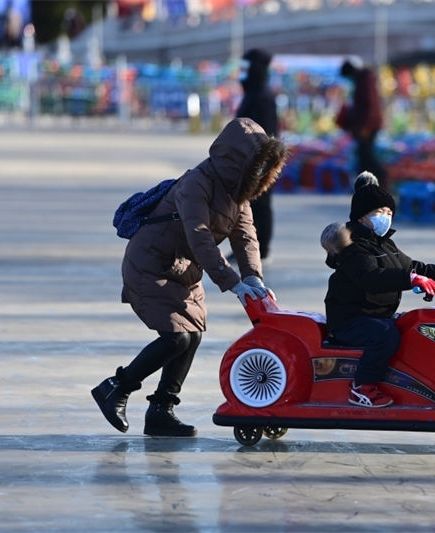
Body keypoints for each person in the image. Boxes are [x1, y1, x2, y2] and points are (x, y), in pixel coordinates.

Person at [92, 118, 288, 437]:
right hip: (150, 264)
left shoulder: (238, 194)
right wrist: (231, 281)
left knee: (192, 335)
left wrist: (254, 277)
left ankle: (161, 411)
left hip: (183, 270)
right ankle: (116, 386)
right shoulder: (196, 184)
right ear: (236, 160)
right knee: (176, 337)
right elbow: (199, 236)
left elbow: (246, 237)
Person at [321, 172, 435, 408]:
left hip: (376, 314)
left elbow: (412, 266)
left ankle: (419, 382)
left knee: (414, 326)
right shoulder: (353, 248)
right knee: (385, 335)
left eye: (389, 213)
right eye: (379, 213)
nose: (386, 218)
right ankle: (362, 387)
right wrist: (411, 279)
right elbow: (371, 278)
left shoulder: (384, 243)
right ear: (361, 218)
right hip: (350, 319)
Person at [235, 48, 279, 260]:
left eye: (245, 68)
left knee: (259, 205)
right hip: (249, 158)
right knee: (250, 205)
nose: (241, 73)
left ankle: (259, 248)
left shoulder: (262, 97)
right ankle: (249, 248)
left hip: (259, 159)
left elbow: (265, 133)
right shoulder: (253, 93)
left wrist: (262, 162)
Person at [337, 59, 387, 189]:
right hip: (367, 125)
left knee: (366, 157)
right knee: (364, 156)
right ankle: (369, 187)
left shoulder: (364, 82)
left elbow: (368, 107)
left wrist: (364, 126)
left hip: (367, 126)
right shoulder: (363, 81)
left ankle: (378, 184)